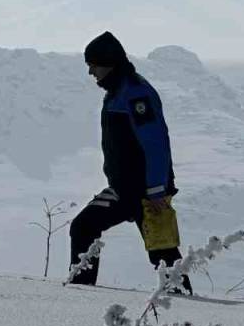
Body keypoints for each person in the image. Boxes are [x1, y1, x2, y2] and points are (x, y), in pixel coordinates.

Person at [68, 31, 191, 292]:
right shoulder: (117, 91)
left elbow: (155, 142)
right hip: (126, 189)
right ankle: (81, 292)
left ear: (109, 62)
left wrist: (156, 188)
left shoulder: (135, 94)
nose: (90, 71)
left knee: (162, 253)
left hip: (146, 192)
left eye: (93, 64)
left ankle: (79, 293)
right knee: (85, 227)